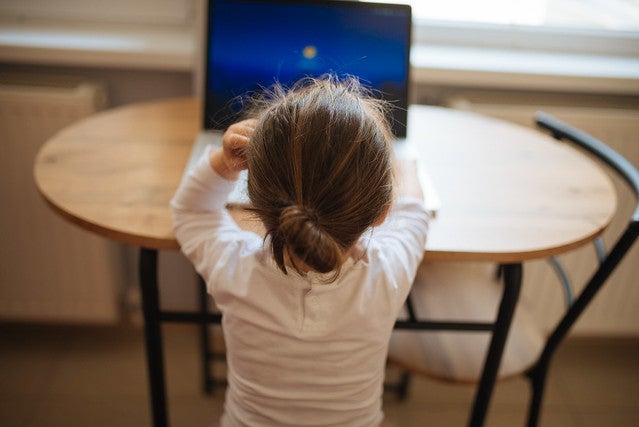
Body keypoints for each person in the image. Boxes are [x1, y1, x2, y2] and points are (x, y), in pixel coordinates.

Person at [171, 76, 431, 426]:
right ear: (383, 210)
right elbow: (414, 212)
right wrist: (403, 165)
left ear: (256, 200)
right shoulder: (389, 274)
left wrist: (222, 162)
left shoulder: (233, 268)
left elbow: (191, 211)